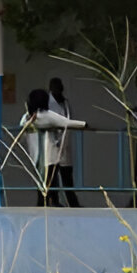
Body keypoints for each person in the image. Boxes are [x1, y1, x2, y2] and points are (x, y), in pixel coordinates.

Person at [20, 88, 88, 207]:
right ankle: (50, 206)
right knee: (49, 186)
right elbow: (67, 122)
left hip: (35, 156)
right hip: (49, 157)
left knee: (43, 186)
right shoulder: (46, 116)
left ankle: (48, 205)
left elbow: (22, 125)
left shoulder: (27, 117)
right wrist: (85, 124)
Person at [46, 78, 81, 207]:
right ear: (51, 88)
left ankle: (73, 203)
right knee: (52, 178)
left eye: (60, 86)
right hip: (52, 145)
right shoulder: (47, 104)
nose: (58, 89)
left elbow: (69, 121)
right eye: (56, 87)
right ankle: (54, 202)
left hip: (64, 145)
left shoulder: (65, 103)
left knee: (67, 178)